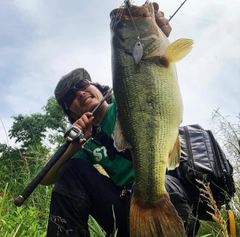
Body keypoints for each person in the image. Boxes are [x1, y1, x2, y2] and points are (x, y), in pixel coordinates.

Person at [41, 4, 199, 237]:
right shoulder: (87, 142)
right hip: (126, 207)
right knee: (71, 169)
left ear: (96, 86)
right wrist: (75, 143)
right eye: (71, 97)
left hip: (170, 194)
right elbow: (46, 178)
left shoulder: (126, 103)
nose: (80, 93)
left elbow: (152, 81)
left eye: (83, 85)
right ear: (72, 115)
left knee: (151, 187)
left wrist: (158, 34)